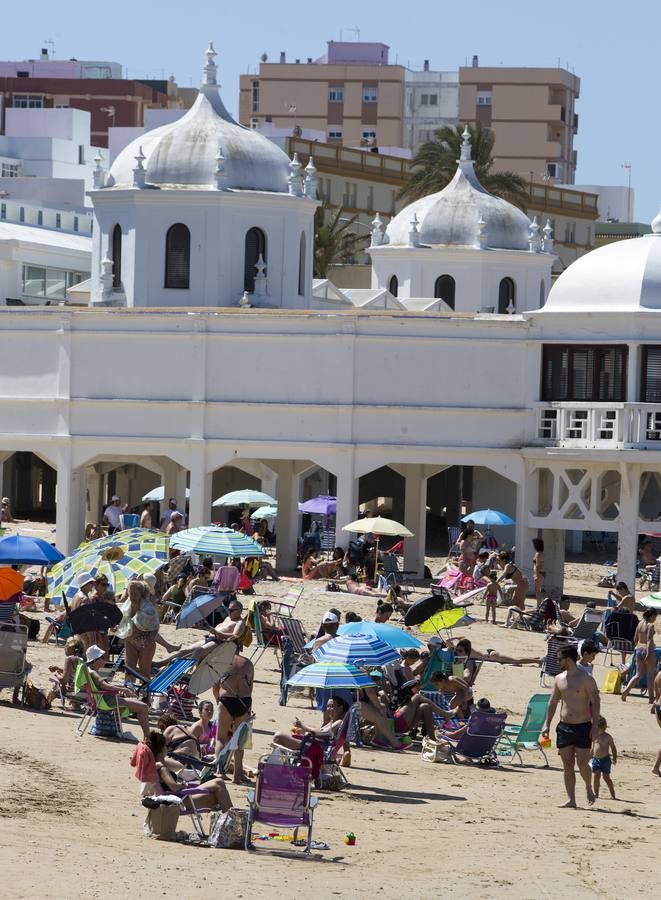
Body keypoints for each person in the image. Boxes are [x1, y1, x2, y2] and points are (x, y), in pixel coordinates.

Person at [541, 643, 600, 808]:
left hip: (583, 727)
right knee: (567, 765)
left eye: (560, 659)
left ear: (568, 659)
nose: (558, 661)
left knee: (582, 763)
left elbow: (595, 702)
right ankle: (571, 800)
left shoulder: (586, 679)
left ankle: (588, 787)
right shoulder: (559, 679)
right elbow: (553, 703)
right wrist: (547, 725)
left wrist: (595, 726)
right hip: (564, 727)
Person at [146, 730, 232, 813]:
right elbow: (174, 787)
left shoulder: (156, 765)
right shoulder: (162, 768)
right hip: (181, 802)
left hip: (179, 798)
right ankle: (233, 820)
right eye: (165, 746)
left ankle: (231, 819)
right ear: (162, 749)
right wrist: (183, 784)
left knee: (218, 787)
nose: (167, 748)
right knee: (219, 784)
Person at [78, 645, 151, 741]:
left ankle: (147, 737)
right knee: (143, 707)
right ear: (95, 660)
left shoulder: (90, 671)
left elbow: (105, 686)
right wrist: (125, 690)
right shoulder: (94, 674)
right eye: (102, 658)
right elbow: (106, 686)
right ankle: (148, 738)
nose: (104, 660)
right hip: (108, 701)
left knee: (139, 705)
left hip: (103, 699)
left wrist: (121, 688)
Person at [214, 648, 254, 784]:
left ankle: (219, 771)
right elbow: (250, 686)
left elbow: (215, 684)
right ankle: (237, 775)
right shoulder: (248, 663)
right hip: (244, 700)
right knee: (240, 741)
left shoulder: (223, 662)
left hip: (227, 699)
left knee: (221, 738)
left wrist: (217, 699)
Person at [119, 579, 161, 678]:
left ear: (141, 593)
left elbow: (155, 628)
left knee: (145, 672)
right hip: (130, 641)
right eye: (130, 591)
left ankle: (146, 693)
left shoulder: (149, 609)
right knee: (129, 670)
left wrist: (148, 641)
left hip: (146, 642)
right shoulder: (126, 606)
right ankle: (129, 692)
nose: (132, 594)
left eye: (134, 592)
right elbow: (121, 622)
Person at [621, 609, 657, 704]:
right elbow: (649, 640)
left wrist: (638, 647)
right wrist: (648, 653)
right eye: (655, 617)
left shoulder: (640, 623)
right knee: (650, 676)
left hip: (639, 649)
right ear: (652, 616)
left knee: (638, 674)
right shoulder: (650, 625)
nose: (655, 619)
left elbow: (635, 638)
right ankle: (651, 698)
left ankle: (626, 691)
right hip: (647, 650)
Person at [46, 636, 85, 703]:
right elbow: (75, 672)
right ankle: (76, 705)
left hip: (75, 692)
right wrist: (58, 668)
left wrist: (57, 674)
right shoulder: (84, 658)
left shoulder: (70, 660)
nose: (64, 647)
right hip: (87, 693)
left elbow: (63, 680)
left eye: (66, 645)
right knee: (73, 682)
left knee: (56, 686)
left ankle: (46, 703)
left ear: (72, 648)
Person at [590, 716, 617, 800]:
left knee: (606, 777)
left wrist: (614, 758)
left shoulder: (608, 737)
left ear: (602, 728)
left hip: (605, 760)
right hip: (595, 759)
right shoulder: (594, 736)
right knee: (596, 776)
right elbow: (593, 747)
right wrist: (589, 757)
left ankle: (612, 794)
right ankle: (596, 794)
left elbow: (613, 748)